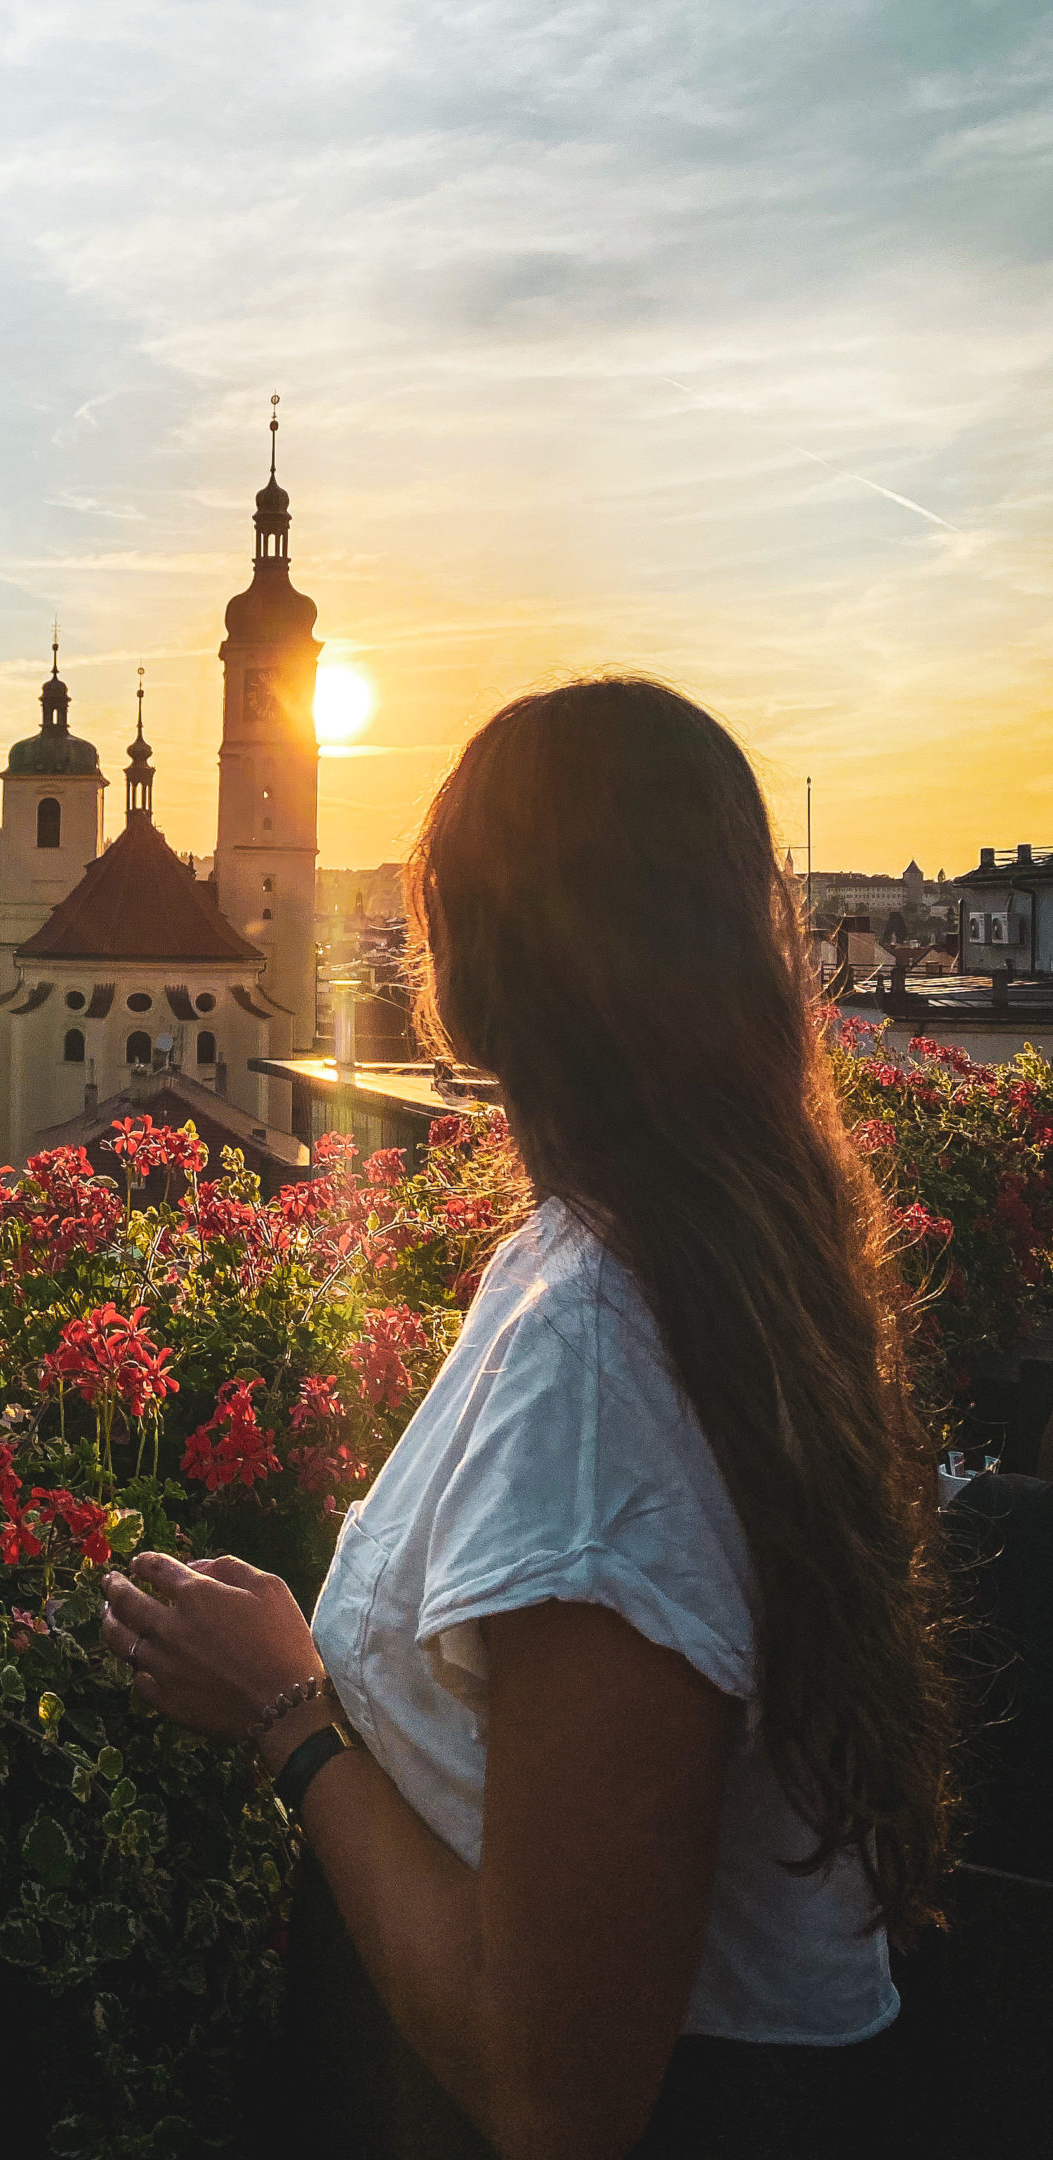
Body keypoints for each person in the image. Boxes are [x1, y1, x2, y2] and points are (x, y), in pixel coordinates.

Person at [101, 679, 956, 2159]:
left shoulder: (601, 1361)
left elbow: (560, 2100)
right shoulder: (684, 1240)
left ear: (476, 961)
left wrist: (285, 1715)